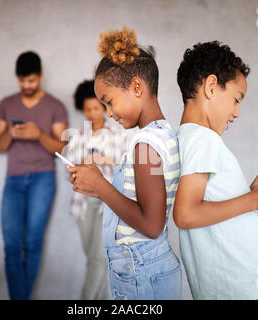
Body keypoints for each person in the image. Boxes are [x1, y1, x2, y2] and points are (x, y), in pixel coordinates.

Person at [173, 41, 258, 300]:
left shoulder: (188, 137)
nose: (237, 113)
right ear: (211, 86)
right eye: (236, 99)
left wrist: (248, 193)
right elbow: (185, 214)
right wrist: (255, 200)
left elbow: (206, 202)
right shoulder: (203, 139)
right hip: (238, 289)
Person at [67, 27, 182, 300]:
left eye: (109, 102)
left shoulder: (146, 144)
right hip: (143, 269)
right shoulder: (159, 134)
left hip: (141, 273)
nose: (108, 113)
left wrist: (100, 188)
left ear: (136, 87)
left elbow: (152, 225)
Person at [0, 51, 68, 300]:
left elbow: (63, 149)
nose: (26, 86)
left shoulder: (55, 106)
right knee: (12, 246)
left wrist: (38, 135)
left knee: (32, 243)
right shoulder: (6, 104)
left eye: (31, 81)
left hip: (42, 180)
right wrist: (11, 134)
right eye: (22, 81)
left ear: (41, 77)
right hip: (13, 180)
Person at [64, 79, 129, 300]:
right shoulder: (78, 136)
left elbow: (128, 167)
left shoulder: (117, 134)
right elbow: (69, 173)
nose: (92, 113)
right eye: (87, 109)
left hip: (107, 202)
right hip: (82, 203)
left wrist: (106, 159)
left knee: (98, 258)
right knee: (93, 258)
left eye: (96, 108)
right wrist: (78, 167)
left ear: (103, 107)